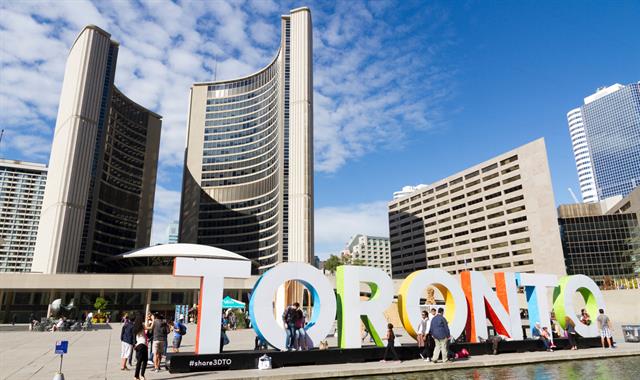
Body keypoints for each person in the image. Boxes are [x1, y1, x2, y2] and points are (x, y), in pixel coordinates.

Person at [133, 314, 149, 380]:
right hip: (143, 344)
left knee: (139, 361)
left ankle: (136, 376)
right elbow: (149, 328)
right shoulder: (142, 325)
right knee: (145, 360)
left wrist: (134, 345)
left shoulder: (135, 326)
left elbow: (133, 337)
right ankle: (141, 375)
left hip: (138, 345)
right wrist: (152, 320)